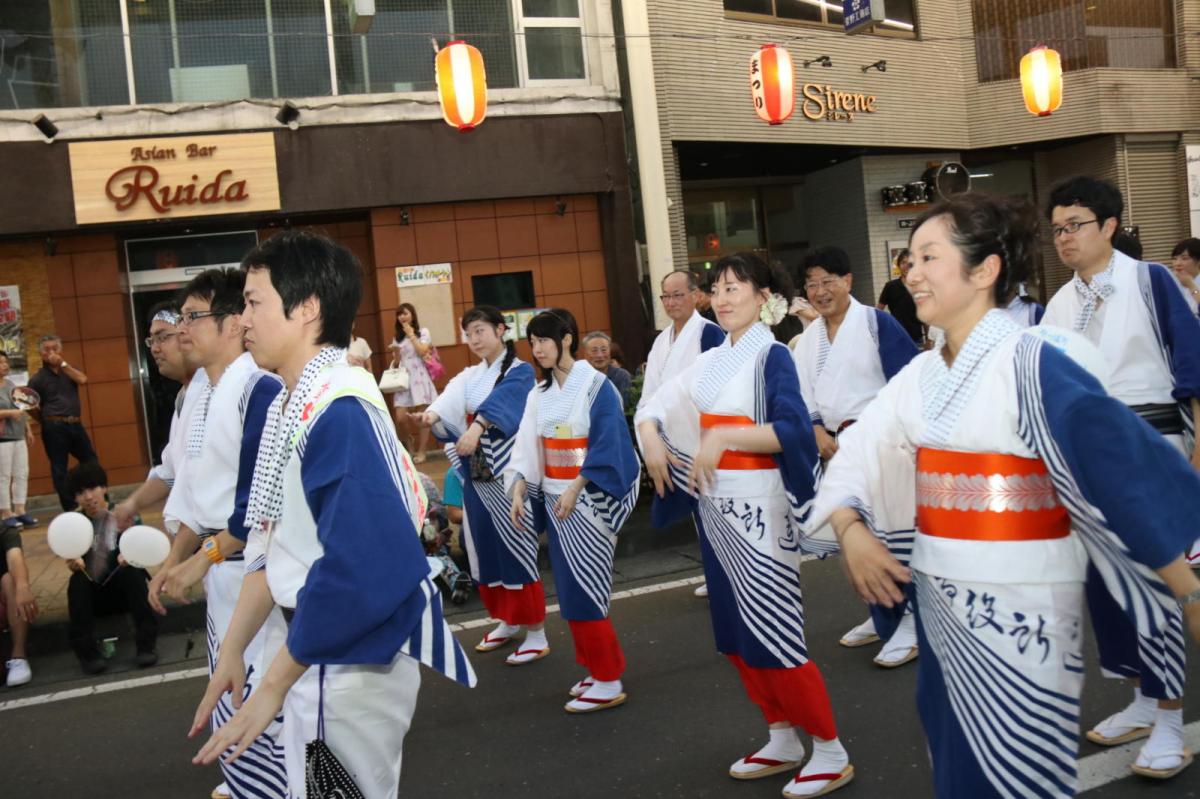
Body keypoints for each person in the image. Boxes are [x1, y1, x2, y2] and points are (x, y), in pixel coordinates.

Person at [808, 192, 1200, 798]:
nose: (911, 274)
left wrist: (1188, 590)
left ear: (985, 270)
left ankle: (1164, 712)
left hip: (1018, 614)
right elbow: (856, 454)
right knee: (956, 763)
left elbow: (1121, 473)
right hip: (945, 611)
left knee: (1012, 773)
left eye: (929, 257)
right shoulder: (919, 375)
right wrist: (850, 528)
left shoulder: (1033, 362)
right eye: (909, 260)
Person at [190, 231, 474, 799]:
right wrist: (234, 651)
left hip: (340, 660)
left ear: (307, 309)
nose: (243, 319)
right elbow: (271, 543)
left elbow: (362, 566)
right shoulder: (295, 401)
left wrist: (273, 684)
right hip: (319, 654)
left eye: (254, 302)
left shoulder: (336, 409)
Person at [636, 253, 854, 799]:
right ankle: (781, 735)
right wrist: (651, 436)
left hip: (759, 508)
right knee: (735, 634)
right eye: (718, 288)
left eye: (736, 288)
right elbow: (654, 405)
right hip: (714, 509)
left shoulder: (772, 355)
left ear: (765, 298)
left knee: (775, 632)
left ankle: (830, 749)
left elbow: (793, 432)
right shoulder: (712, 359)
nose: (724, 297)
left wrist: (724, 437)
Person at [1041, 176, 1200, 779]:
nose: (1064, 237)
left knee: (1152, 584)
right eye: (1057, 228)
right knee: (1106, 587)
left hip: (1148, 441)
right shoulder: (1059, 304)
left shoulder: (1150, 280)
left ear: (1108, 226)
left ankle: (1170, 720)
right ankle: (1141, 698)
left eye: (1075, 224)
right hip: (1083, 456)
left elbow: (1193, 367)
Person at [506, 309, 640, 713]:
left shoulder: (596, 385)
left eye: (544, 339)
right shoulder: (539, 393)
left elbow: (608, 441)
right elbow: (527, 444)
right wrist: (518, 485)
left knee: (586, 589)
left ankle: (608, 677)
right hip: (554, 497)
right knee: (569, 589)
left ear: (566, 339)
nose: (537, 349)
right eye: (532, 342)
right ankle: (595, 668)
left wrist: (578, 485)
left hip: (588, 500)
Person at [792, 246, 919, 668]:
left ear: (848, 281)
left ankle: (911, 622)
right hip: (835, 448)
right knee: (858, 537)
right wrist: (814, 428)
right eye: (812, 284)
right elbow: (801, 392)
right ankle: (881, 612)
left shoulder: (876, 323)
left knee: (894, 537)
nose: (820, 291)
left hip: (881, 442)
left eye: (828, 281)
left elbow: (907, 382)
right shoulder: (810, 338)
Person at [418, 305, 545, 664]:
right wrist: (431, 414)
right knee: (484, 549)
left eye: (480, 331)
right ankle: (506, 620)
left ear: (501, 330)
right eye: (469, 333)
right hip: (477, 476)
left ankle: (536, 632)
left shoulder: (520, 371)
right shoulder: (470, 375)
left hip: (509, 478)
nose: (474, 339)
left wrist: (476, 428)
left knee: (517, 550)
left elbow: (502, 405)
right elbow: (450, 398)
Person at [638, 269, 727, 598]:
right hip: (671, 441)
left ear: (696, 295)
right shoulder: (661, 341)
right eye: (666, 296)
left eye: (679, 294)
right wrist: (653, 437)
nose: (672, 302)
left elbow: (718, 391)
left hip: (703, 440)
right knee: (699, 515)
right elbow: (650, 394)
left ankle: (727, 576)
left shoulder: (709, 333)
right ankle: (714, 573)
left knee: (717, 512)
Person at [64, 461, 159, 674]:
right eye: (80, 493)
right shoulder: (74, 523)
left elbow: (141, 547)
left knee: (132, 572)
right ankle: (87, 654)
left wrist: (131, 556)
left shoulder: (124, 515)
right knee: (77, 581)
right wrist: (73, 562)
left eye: (92, 488)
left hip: (125, 592)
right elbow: (69, 556)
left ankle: (146, 645)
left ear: (104, 488)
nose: (88, 497)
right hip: (94, 596)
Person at [28, 334, 95, 511]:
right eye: (46, 349)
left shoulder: (69, 370)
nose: (51, 352)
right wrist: (44, 420)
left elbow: (83, 379)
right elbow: (28, 405)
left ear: (61, 350)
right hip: (53, 426)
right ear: (40, 353)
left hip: (75, 423)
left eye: (55, 348)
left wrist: (63, 364)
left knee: (91, 461)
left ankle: (98, 498)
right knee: (59, 468)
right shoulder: (37, 379)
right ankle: (70, 507)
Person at [388, 303, 438, 463]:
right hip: (403, 379)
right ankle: (409, 441)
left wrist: (411, 334)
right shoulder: (397, 337)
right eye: (399, 314)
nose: (402, 316)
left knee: (423, 416)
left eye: (405, 313)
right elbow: (397, 363)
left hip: (419, 376)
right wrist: (396, 355)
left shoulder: (423, 332)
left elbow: (423, 351)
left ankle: (422, 451)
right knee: (400, 418)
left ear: (412, 315)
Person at [0, 352, 35, 530]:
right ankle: (5, 513)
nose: (5, 365)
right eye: (0, 363)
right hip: (2, 439)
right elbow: (12, 411)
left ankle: (20, 510)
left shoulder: (11, 384)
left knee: (22, 473)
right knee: (3, 477)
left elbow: (22, 407)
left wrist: (27, 429)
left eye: (5, 362)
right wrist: (8, 413)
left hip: (18, 435)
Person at [1, 524, 36, 686]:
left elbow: (15, 558)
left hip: (5, 602)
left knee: (10, 580)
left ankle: (18, 656)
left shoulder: (6, 532)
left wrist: (23, 586)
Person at [877, 249, 924, 345]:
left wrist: (929, 338)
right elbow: (878, 311)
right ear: (899, 265)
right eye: (903, 263)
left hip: (916, 338)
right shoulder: (890, 286)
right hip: (895, 337)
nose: (906, 266)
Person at [582, 331, 632, 408]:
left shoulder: (621, 376)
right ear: (585, 354)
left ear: (610, 352)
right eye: (594, 351)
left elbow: (624, 407)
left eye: (604, 350)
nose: (599, 355)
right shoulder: (579, 378)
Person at [1171, 237, 1200, 316]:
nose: (1177, 263)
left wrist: (1191, 286)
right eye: (1174, 259)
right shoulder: (1171, 282)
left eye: (1184, 258)